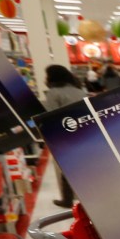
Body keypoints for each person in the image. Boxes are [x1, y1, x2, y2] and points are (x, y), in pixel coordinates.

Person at [41, 64, 85, 208]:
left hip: (66, 134)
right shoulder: (79, 90)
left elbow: (50, 116)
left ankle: (67, 199)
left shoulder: (54, 93)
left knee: (68, 166)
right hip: (85, 131)